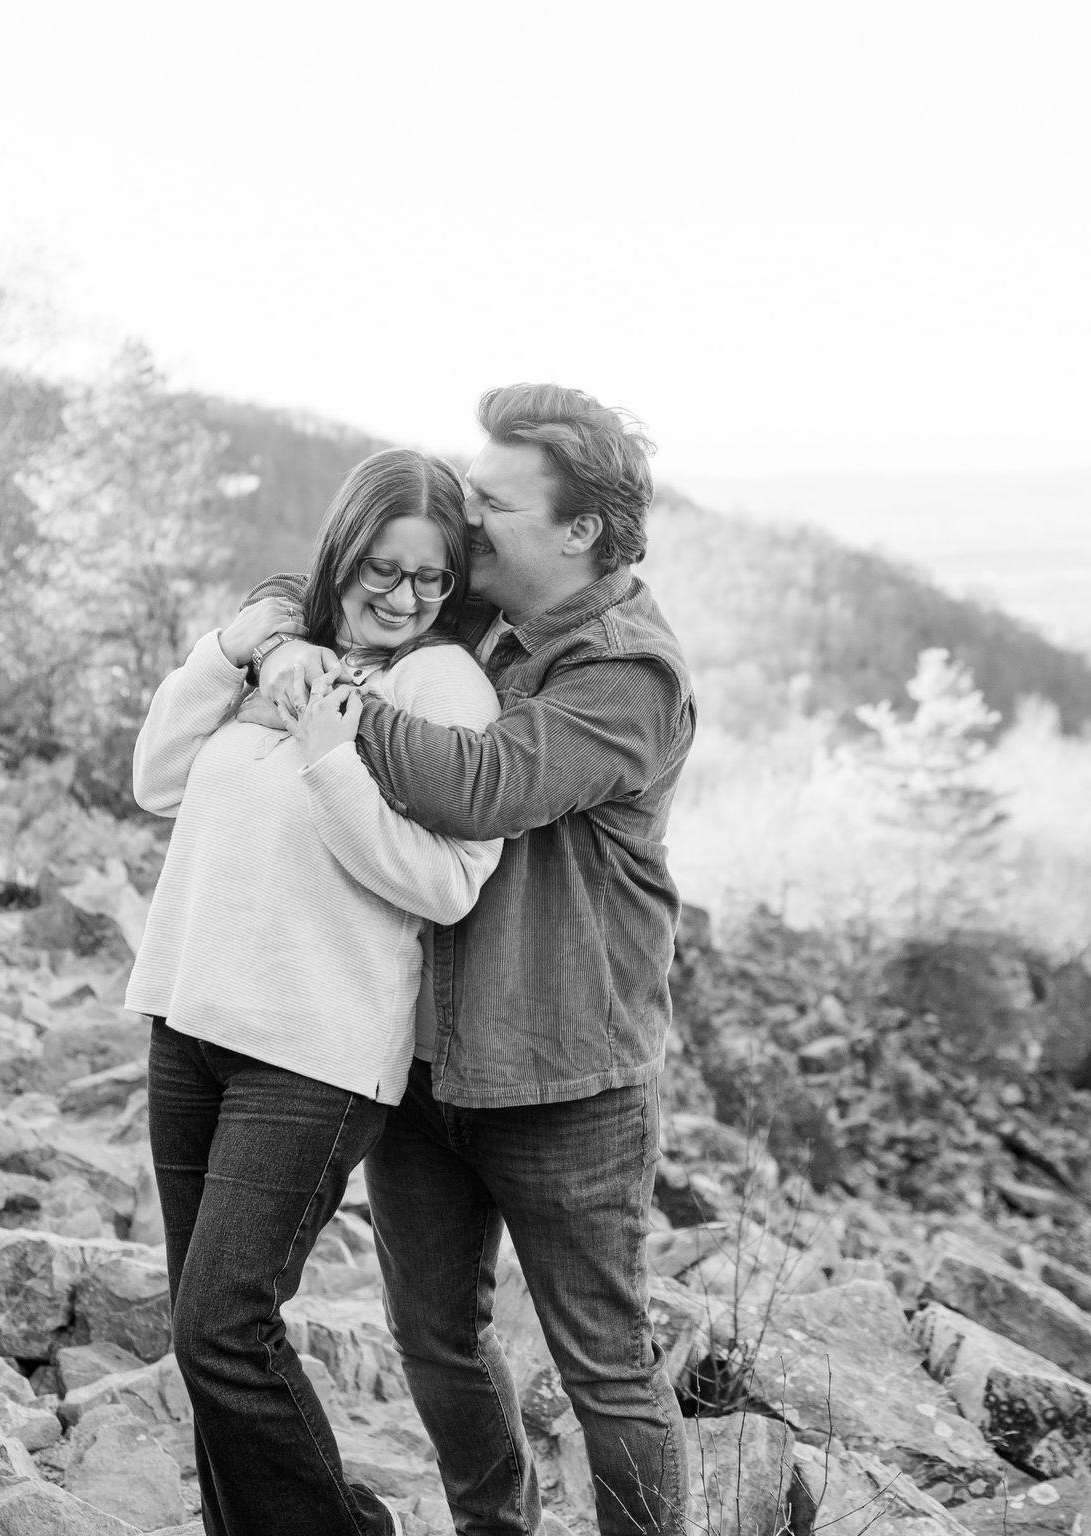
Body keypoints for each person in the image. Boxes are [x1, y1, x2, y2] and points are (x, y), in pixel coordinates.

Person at [251, 384, 696, 1536]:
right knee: (435, 1340)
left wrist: (325, 694)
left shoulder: (629, 674)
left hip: (565, 1080)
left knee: (605, 1369)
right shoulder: (482, 622)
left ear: (580, 529)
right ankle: (496, 1527)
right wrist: (273, 632)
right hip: (425, 1059)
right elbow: (335, 594)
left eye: (494, 502)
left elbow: (479, 781)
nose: (467, 516)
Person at [127, 448, 503, 1536]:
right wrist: (235, 643)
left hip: (315, 1056)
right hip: (190, 1025)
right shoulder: (277, 653)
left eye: (431, 581)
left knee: (223, 1328)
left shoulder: (440, 685)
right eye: (383, 570)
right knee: (204, 1339)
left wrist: (335, 758)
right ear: (342, 549)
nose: (404, 599)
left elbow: (448, 884)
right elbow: (155, 779)